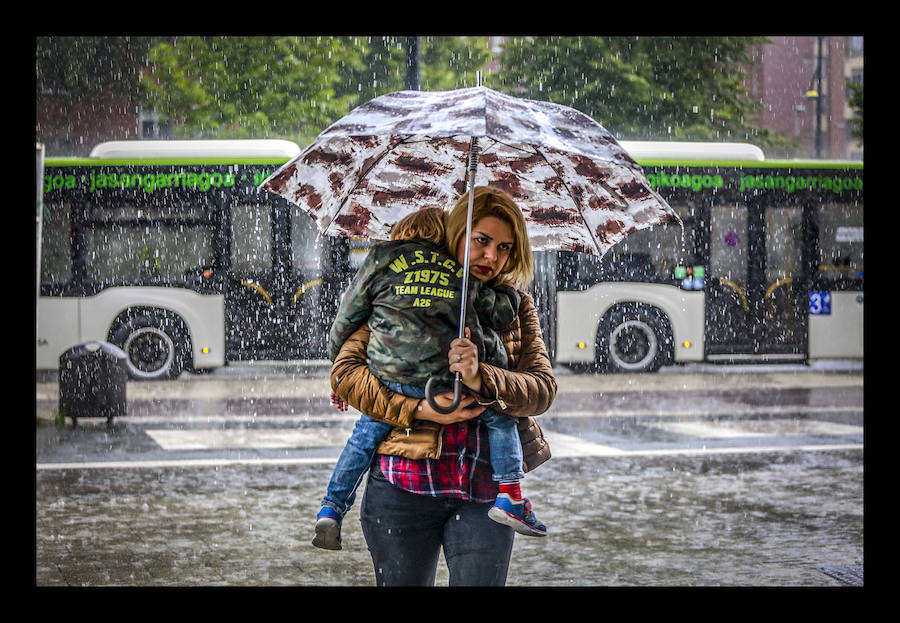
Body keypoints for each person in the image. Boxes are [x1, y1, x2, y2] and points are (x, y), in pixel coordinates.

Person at [330, 186, 556, 586]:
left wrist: (481, 377)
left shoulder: (516, 305)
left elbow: (541, 389)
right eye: (482, 241)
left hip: (485, 492)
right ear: (457, 233)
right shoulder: (408, 289)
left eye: (504, 248)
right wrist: (418, 409)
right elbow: (346, 372)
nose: (492, 256)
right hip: (403, 484)